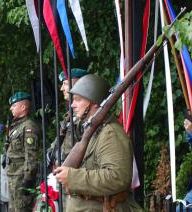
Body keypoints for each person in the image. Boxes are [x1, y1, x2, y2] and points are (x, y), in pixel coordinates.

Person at [54, 74, 142, 211]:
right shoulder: (90, 129)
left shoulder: (110, 133)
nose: (72, 104)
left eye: (78, 99)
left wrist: (72, 177)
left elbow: (117, 177)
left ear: (94, 103)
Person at [5, 91, 40, 212]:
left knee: (22, 208)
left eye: (14, 105)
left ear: (23, 107)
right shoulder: (17, 126)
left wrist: (28, 179)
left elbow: (31, 155)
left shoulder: (28, 126)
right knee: (13, 208)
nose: (11, 108)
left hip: (21, 176)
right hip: (13, 175)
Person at [47, 68, 88, 168]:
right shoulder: (70, 114)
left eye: (65, 83)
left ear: (78, 84)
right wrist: (52, 151)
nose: (61, 88)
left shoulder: (85, 113)